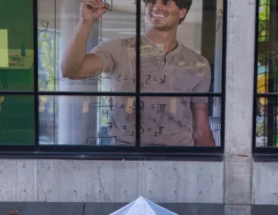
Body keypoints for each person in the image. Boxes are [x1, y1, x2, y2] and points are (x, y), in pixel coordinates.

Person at [61, 0, 215, 147]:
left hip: (180, 157)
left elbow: (201, 127)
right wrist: (86, 21)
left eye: (166, 2)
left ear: (182, 12)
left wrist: (213, 163)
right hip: (126, 155)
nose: (156, 7)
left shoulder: (198, 63)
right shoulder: (118, 48)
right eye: (151, 1)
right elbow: (72, 71)